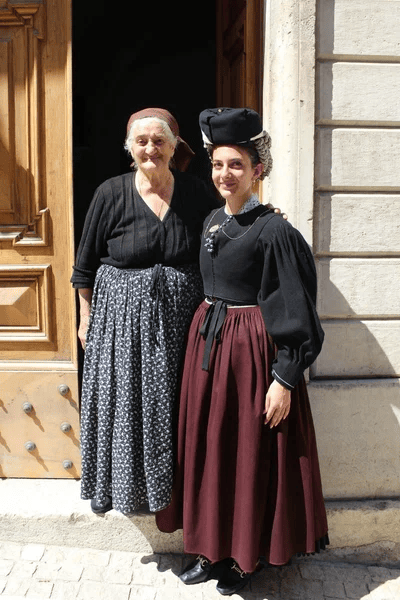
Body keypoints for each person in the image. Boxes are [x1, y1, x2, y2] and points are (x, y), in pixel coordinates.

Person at [156, 107, 329, 596]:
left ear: (258, 170)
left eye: (236, 165)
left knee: (247, 455)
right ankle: (209, 549)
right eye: (217, 165)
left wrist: (284, 378)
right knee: (213, 451)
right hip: (209, 352)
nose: (225, 174)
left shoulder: (276, 232)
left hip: (251, 358)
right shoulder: (213, 219)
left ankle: (243, 556)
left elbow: (297, 311)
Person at [71, 108, 220, 515]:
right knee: (125, 403)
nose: (150, 149)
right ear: (129, 148)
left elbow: (226, 232)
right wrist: (85, 319)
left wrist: (265, 213)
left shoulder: (195, 192)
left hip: (180, 319)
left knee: (176, 403)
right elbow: (84, 266)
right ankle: (123, 490)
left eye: (159, 141)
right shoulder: (110, 193)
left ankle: (178, 494)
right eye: (142, 141)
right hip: (119, 322)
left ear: (174, 147)